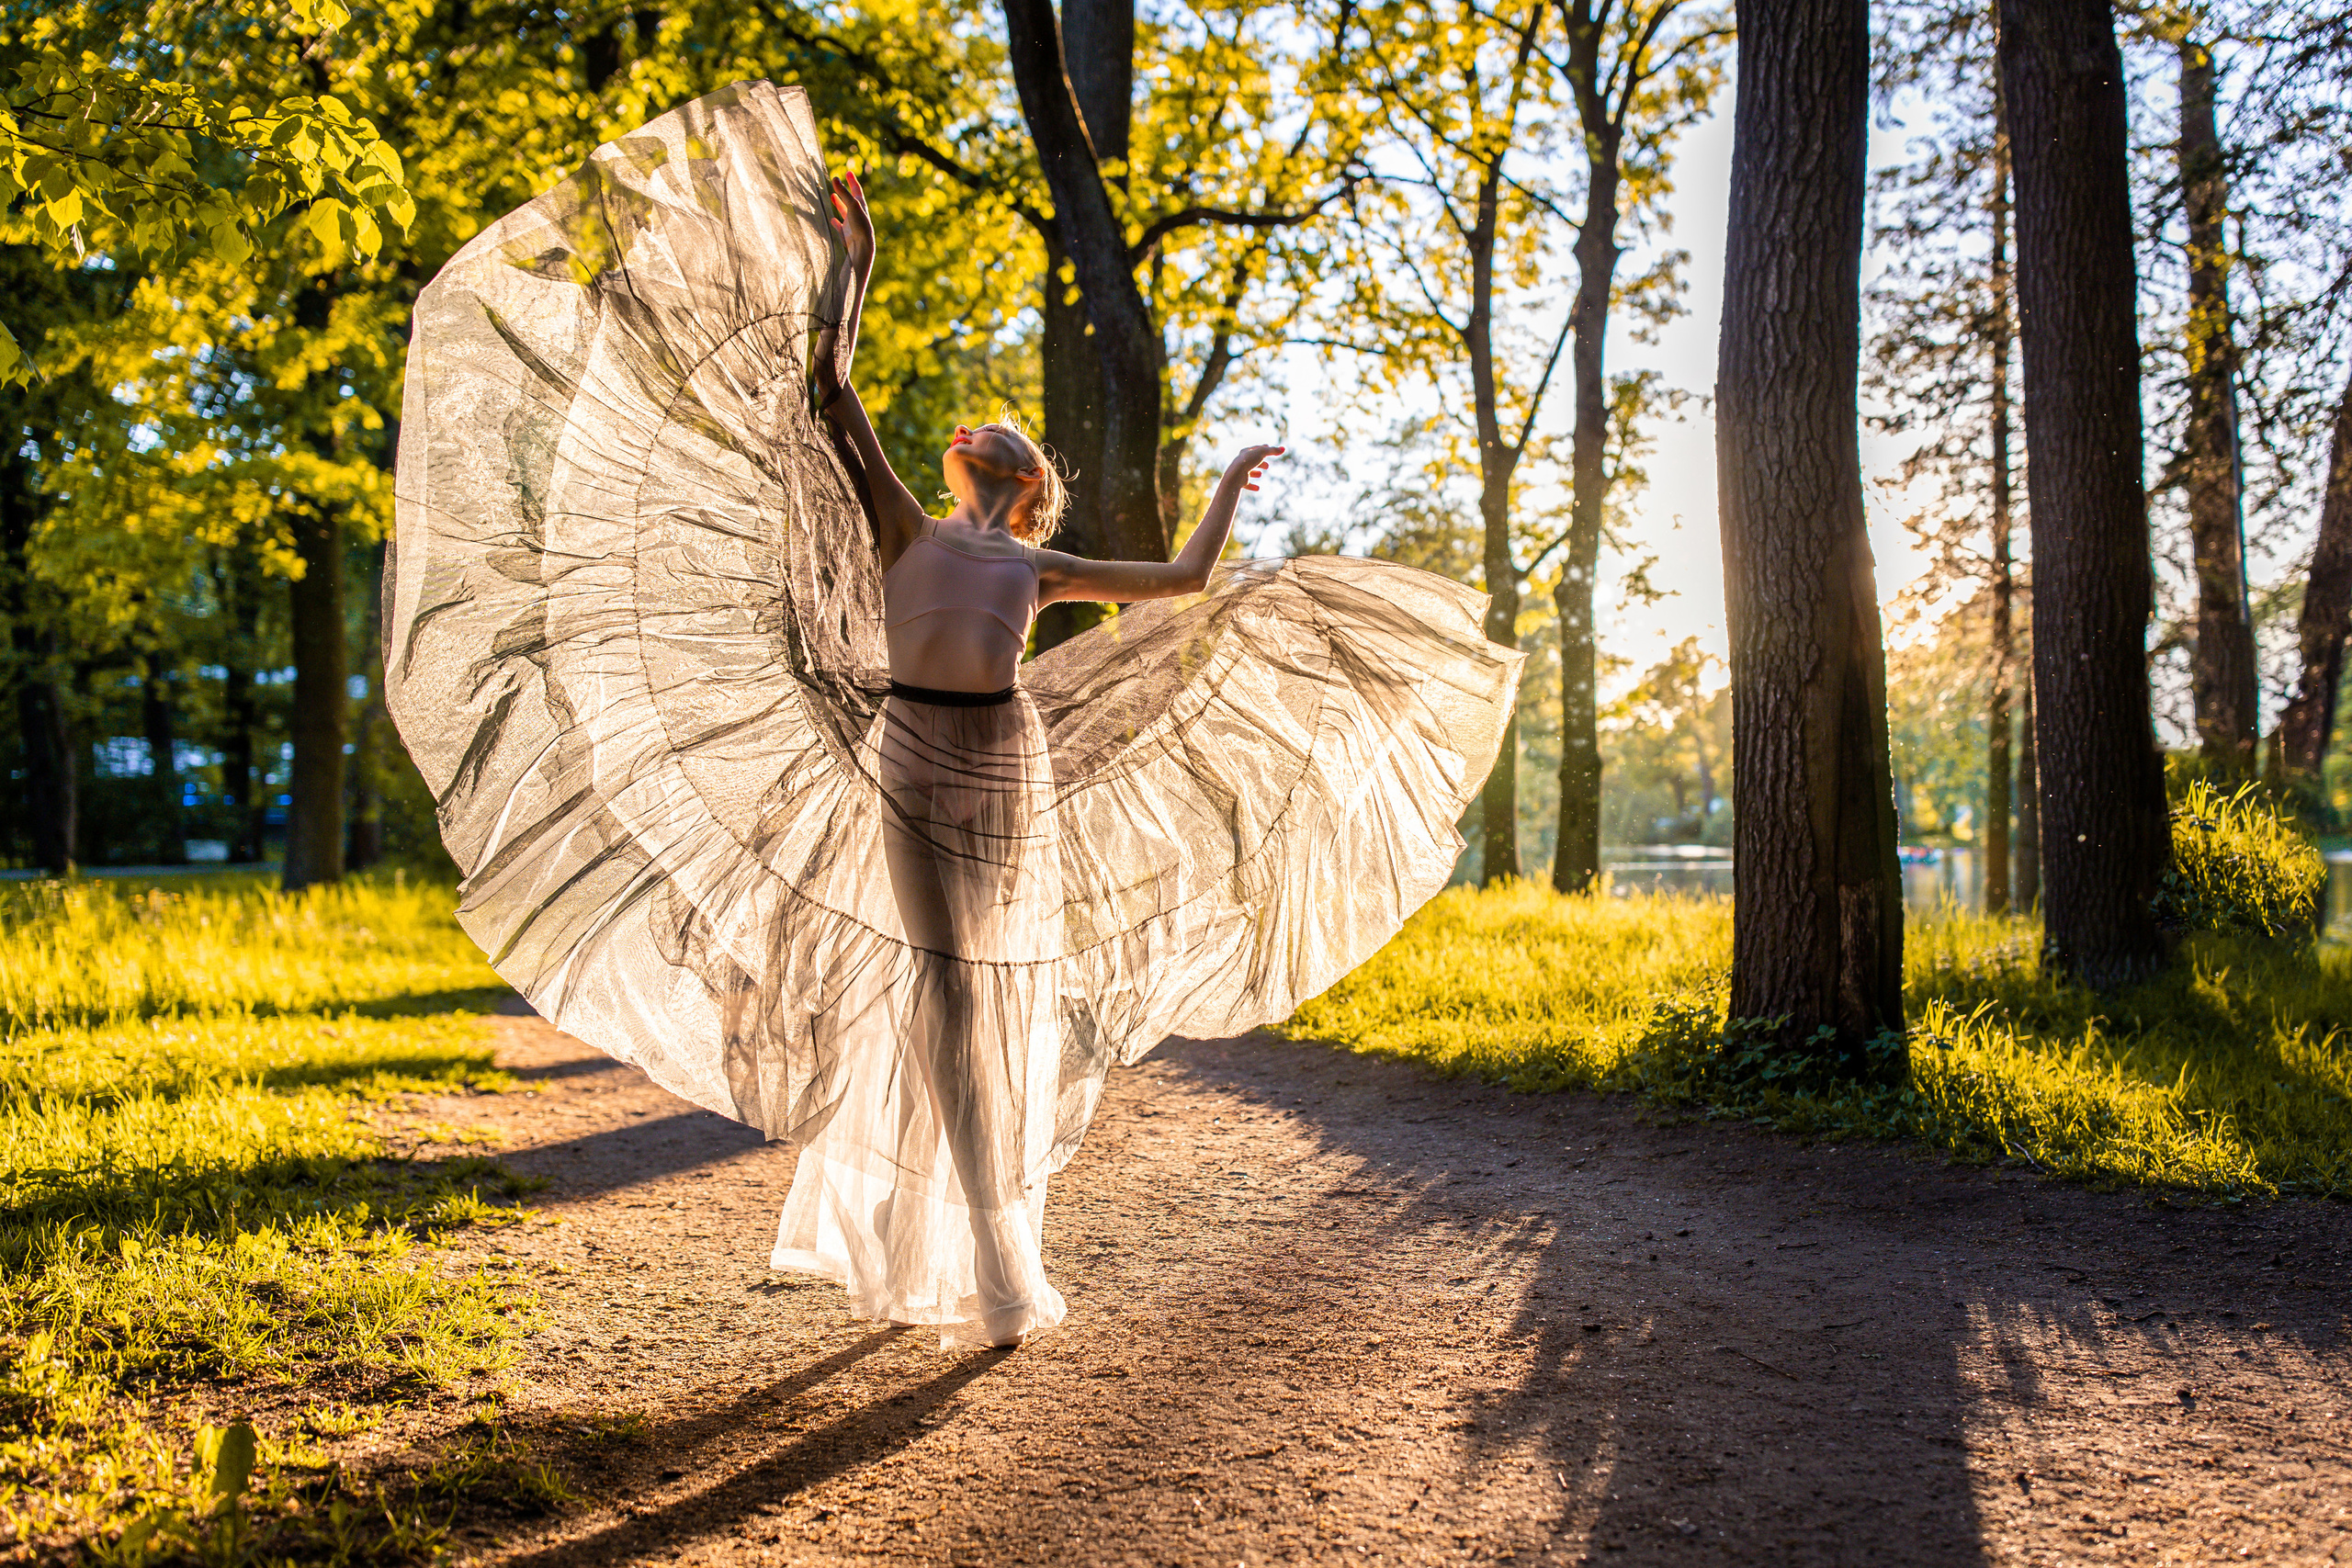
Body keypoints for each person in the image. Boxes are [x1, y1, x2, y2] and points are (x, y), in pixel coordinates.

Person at [385, 80, 1521, 1350]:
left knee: (983, 993)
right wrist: (851, 265)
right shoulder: (903, 527)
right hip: (910, 752)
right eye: (976, 425)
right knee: (939, 991)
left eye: (1003, 429)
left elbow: (1187, 584)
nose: (978, 424)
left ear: (1027, 482)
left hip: (1003, 763)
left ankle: (986, 1231)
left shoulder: (1036, 566)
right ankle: (974, 1237)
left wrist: (1228, 485)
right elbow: (828, 388)